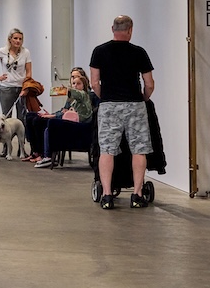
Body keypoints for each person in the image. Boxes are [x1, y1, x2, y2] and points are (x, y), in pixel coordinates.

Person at [89, 15, 155, 209]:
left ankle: (107, 195)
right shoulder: (139, 52)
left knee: (107, 149)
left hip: (109, 105)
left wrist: (105, 97)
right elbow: (149, 84)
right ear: (130, 30)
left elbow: (94, 83)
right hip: (135, 105)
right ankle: (137, 195)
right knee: (139, 149)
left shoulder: (99, 51)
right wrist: (144, 98)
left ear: (112, 29)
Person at [33, 67, 98, 169]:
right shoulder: (73, 100)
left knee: (50, 126)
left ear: (84, 84)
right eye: (73, 82)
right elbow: (66, 109)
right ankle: (45, 155)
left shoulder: (84, 94)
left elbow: (78, 94)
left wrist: (67, 90)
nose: (75, 85)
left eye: (78, 83)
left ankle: (47, 156)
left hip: (80, 124)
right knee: (45, 125)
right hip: (73, 122)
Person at [0, 28, 31, 121]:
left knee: (22, 117)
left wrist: (26, 87)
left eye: (20, 39)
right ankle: (7, 131)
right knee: (6, 116)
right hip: (7, 88)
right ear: (10, 39)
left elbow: (29, 72)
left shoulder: (25, 52)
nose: (18, 41)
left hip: (21, 88)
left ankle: (22, 131)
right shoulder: (2, 51)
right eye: (15, 38)